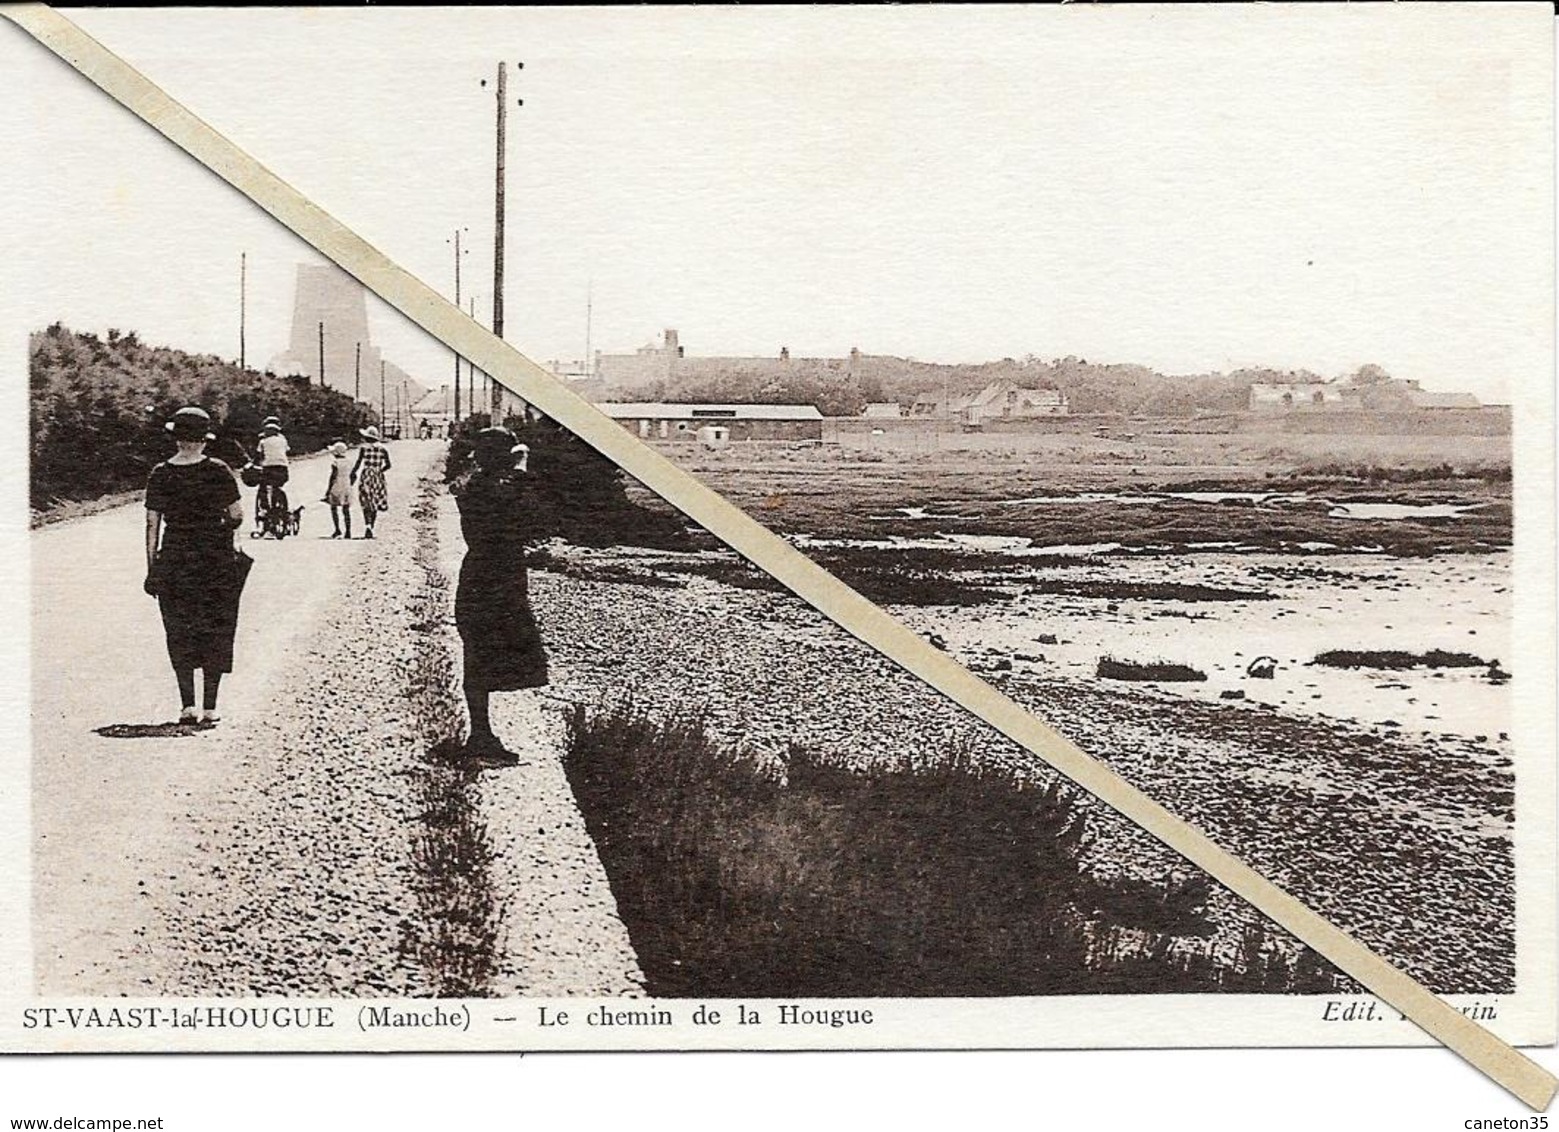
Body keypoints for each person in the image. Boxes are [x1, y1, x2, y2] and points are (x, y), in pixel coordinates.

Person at [143, 406, 249, 726]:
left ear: (176, 438)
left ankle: (187, 705)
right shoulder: (218, 470)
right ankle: (211, 707)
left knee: (179, 629)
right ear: (204, 440)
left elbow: (152, 525)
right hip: (214, 558)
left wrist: (152, 569)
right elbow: (237, 516)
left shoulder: (160, 473)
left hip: (175, 558)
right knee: (216, 625)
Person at [450, 426, 549, 762]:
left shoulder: (475, 486)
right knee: (484, 654)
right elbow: (530, 515)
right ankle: (480, 738)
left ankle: (480, 734)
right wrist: (520, 467)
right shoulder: (498, 489)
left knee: (477, 654)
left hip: (479, 573)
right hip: (498, 576)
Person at [350, 426, 392, 538]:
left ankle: (367, 524)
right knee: (375, 500)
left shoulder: (364, 449)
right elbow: (388, 465)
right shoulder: (383, 449)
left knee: (365, 500)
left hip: (366, 475)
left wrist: (353, 473)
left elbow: (358, 463)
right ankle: (371, 526)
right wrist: (379, 471)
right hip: (378, 476)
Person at [253, 417, 291, 533]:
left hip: (269, 468)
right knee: (277, 487)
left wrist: (255, 464)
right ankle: (282, 509)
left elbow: (258, 456)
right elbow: (287, 450)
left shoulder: (263, 441)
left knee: (263, 488)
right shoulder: (283, 440)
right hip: (283, 468)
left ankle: (266, 510)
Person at [321, 439, 354, 538]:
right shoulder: (349, 462)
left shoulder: (335, 462)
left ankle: (337, 529)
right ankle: (348, 531)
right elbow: (353, 475)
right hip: (347, 485)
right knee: (346, 509)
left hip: (337, 485)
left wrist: (328, 490)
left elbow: (333, 476)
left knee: (334, 507)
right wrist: (350, 484)